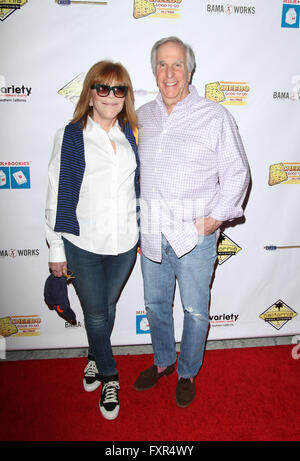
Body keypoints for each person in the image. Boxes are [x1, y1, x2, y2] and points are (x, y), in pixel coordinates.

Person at [133, 37, 250, 408]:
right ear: (155, 70)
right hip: (152, 233)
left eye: (177, 64)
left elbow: (238, 173)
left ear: (190, 69)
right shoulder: (143, 115)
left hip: (194, 237)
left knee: (195, 311)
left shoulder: (214, 115)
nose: (170, 73)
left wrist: (212, 221)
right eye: (163, 65)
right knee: (154, 305)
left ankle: (186, 371)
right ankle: (164, 361)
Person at [45, 61, 139, 420]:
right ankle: (109, 375)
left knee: (108, 307)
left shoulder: (130, 133)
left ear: (126, 95)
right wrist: (56, 248)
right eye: (104, 88)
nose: (112, 96)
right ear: (90, 92)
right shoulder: (70, 135)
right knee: (97, 314)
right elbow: (57, 194)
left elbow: (138, 187)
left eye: (120, 89)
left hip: (125, 243)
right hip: (83, 243)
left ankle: (93, 356)